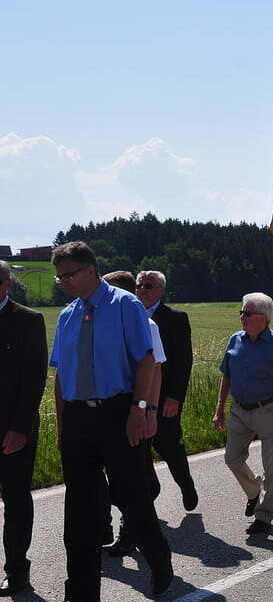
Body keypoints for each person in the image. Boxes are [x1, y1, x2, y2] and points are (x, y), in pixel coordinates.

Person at [49, 242, 173, 600]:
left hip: (117, 412)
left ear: (91, 270)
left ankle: (158, 557)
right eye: (61, 277)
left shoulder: (125, 305)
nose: (65, 282)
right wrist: (61, 427)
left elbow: (147, 360)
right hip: (77, 418)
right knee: (80, 512)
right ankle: (81, 592)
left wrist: (140, 409)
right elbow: (61, 376)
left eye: (69, 274)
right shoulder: (67, 315)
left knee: (133, 497)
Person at [98, 270, 167, 559]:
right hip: (104, 414)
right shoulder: (99, 322)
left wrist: (149, 412)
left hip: (132, 411)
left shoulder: (145, 323)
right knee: (116, 478)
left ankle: (131, 533)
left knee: (130, 479)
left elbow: (155, 370)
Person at [214, 292, 273, 535]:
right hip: (239, 410)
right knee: (232, 458)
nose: (242, 317)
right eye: (242, 312)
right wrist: (219, 409)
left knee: (271, 467)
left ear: (262, 318)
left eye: (246, 313)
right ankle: (253, 490)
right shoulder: (235, 340)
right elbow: (226, 376)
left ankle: (264, 516)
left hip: (269, 410)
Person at [0, 261, 46, 597]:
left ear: (6, 284)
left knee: (15, 499)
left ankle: (17, 572)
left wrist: (20, 428)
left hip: (13, 429)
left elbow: (34, 380)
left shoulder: (27, 320)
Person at [135, 270, 197, 513]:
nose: (142, 290)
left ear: (161, 290)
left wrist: (175, 397)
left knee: (167, 443)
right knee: (140, 444)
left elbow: (183, 361)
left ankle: (185, 483)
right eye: (139, 286)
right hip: (137, 397)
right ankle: (150, 489)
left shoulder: (175, 318)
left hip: (164, 395)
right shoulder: (129, 316)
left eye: (148, 286)